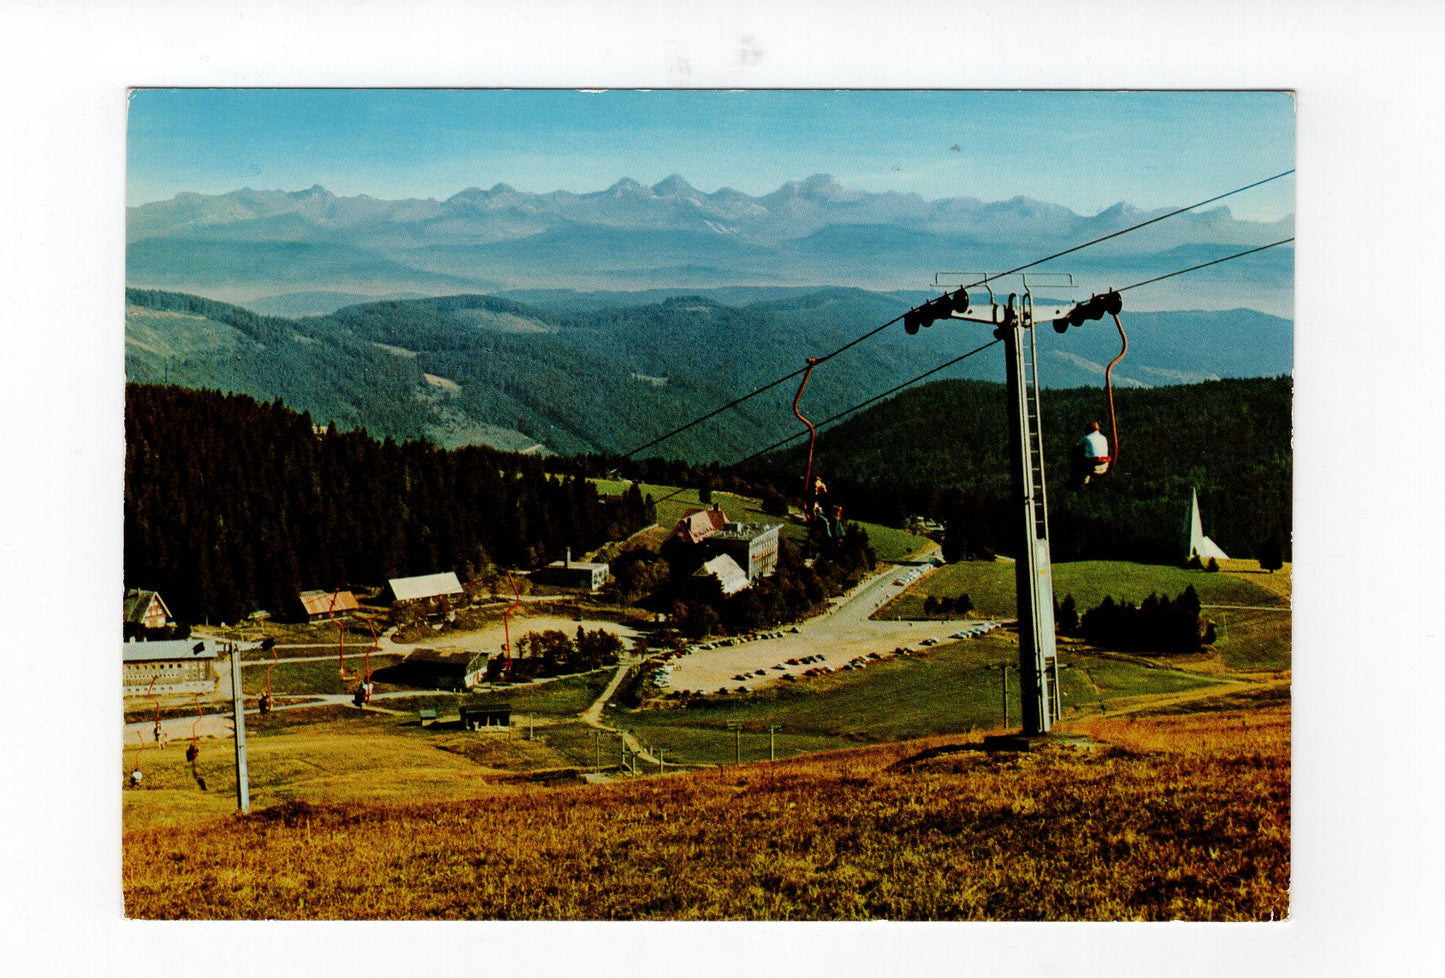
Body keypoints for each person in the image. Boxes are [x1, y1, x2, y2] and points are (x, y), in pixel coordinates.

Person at [1071, 421, 1111, 488]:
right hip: (1105, 466)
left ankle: (1082, 481)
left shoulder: (1087, 438)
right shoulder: (1104, 438)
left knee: (1078, 456)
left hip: (1093, 467)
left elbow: (1076, 446)